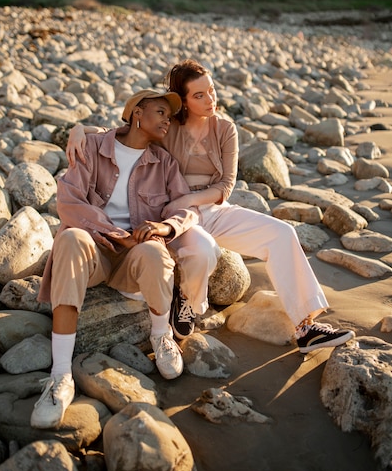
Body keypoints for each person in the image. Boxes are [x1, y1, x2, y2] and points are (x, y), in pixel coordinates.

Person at [67, 59, 356, 356]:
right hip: (172, 216)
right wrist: (81, 129)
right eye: (199, 95)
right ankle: (187, 302)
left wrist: (189, 199)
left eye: (212, 90)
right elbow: (127, 132)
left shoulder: (225, 128)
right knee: (203, 251)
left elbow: (226, 185)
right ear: (184, 101)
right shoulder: (169, 127)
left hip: (212, 209)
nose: (211, 100)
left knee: (281, 233)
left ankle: (306, 327)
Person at [31, 89, 219, 430]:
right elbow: (68, 201)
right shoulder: (92, 147)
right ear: (137, 114)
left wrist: (164, 226)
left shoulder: (164, 164)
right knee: (70, 236)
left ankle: (161, 337)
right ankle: (60, 377)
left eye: (169, 116)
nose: (166, 120)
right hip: (93, 251)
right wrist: (115, 234)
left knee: (152, 250)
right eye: (160, 112)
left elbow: (186, 209)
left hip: (134, 259)